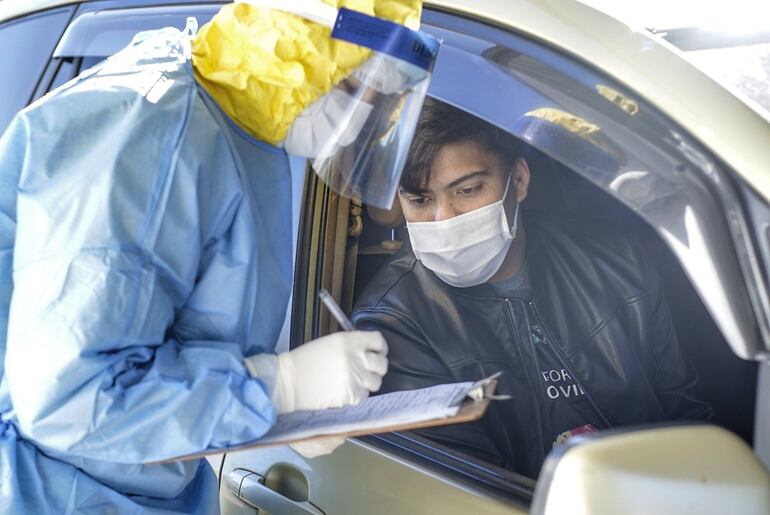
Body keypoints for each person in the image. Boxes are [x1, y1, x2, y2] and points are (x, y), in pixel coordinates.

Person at [0, 1, 438, 513]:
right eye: (361, 88)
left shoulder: (242, 116)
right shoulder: (154, 141)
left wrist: (283, 415)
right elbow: (73, 400)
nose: (370, 117)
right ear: (300, 48)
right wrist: (279, 388)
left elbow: (180, 341)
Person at [352, 98, 714, 479]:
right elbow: (469, 490)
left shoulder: (615, 259)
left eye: (468, 189)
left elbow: (685, 411)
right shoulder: (393, 321)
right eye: (420, 199)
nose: (443, 219)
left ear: (519, 181)